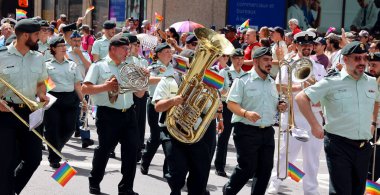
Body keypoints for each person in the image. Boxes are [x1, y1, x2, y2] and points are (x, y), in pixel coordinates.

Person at [295, 41, 379, 195]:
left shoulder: (371, 82)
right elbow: (301, 98)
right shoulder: (332, 81)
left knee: (357, 191)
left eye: (364, 58)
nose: (362, 62)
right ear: (345, 59)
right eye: (357, 58)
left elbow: (376, 101)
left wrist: (373, 122)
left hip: (363, 147)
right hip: (339, 145)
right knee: (341, 191)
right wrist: (314, 125)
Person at [82, 33, 145, 195]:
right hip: (108, 115)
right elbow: (85, 89)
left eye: (129, 49)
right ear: (113, 49)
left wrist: (143, 81)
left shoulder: (130, 66)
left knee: (131, 151)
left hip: (129, 113)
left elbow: (139, 95)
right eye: (125, 49)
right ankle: (94, 181)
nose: (127, 52)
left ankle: (126, 188)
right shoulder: (99, 66)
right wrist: (106, 87)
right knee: (105, 150)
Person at [268, 31, 327, 195]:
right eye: (303, 45)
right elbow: (278, 87)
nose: (307, 48)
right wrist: (300, 88)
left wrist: (319, 99)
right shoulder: (288, 65)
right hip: (294, 116)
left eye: (309, 45)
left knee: (312, 157)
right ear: (296, 45)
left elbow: (327, 92)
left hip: (314, 117)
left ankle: (311, 189)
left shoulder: (320, 68)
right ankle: (276, 182)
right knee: (285, 154)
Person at [222, 47, 287, 195]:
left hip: (268, 131)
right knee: (247, 168)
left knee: (265, 170)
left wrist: (280, 106)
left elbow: (273, 104)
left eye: (271, 60)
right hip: (246, 130)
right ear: (255, 61)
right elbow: (231, 103)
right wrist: (245, 113)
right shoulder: (243, 81)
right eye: (265, 60)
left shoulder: (271, 82)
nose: (270, 63)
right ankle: (229, 191)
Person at [152, 51, 216, 195]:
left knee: (200, 175)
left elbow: (209, 115)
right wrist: (173, 101)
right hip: (172, 131)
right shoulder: (168, 80)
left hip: (195, 134)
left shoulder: (206, 85)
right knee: (177, 175)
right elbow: (158, 107)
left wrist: (215, 109)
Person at [0, 18, 50, 195]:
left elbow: (41, 82)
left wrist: (42, 94)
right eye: (37, 34)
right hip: (5, 112)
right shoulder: (1, 55)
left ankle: (12, 189)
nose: (40, 37)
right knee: (5, 162)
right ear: (25, 36)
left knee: (34, 158)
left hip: (30, 111)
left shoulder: (38, 58)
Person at [44, 36, 86, 168]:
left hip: (70, 99)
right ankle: (54, 157)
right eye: (60, 46)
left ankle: (54, 150)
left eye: (64, 46)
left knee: (70, 128)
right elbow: (44, 82)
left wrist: (82, 99)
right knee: (53, 129)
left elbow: (77, 85)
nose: (64, 48)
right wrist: (52, 89)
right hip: (53, 99)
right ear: (53, 49)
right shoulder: (46, 65)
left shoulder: (72, 64)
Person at [140, 42, 176, 175]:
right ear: (159, 54)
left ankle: (168, 169)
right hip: (155, 103)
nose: (169, 54)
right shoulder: (154, 67)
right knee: (156, 137)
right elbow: (148, 79)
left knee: (171, 137)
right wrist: (166, 78)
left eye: (170, 51)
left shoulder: (176, 68)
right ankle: (146, 160)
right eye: (166, 52)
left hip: (172, 104)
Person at [214, 49, 246, 177]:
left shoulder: (245, 74)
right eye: (237, 58)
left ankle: (243, 167)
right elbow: (218, 91)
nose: (239, 61)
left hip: (240, 108)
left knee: (242, 138)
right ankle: (219, 166)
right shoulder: (224, 72)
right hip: (227, 107)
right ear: (232, 59)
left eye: (241, 58)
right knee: (223, 138)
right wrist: (228, 91)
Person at [67, 30, 94, 148]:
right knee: (72, 113)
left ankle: (85, 138)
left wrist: (80, 54)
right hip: (69, 86)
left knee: (83, 111)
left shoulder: (84, 53)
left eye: (79, 41)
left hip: (82, 85)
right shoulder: (66, 52)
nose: (77, 43)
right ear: (70, 41)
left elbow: (89, 66)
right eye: (74, 41)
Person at [124, 33, 149, 160]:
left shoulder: (140, 60)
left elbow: (145, 78)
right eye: (133, 45)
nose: (134, 47)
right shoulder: (122, 60)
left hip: (140, 93)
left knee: (139, 121)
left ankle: (138, 148)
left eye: (135, 45)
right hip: (126, 94)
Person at [368, 52, 380, 182]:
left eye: (374, 65)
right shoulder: (368, 80)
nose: (371, 68)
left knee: (375, 168)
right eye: (370, 65)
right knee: (372, 168)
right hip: (371, 127)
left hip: (377, 126)